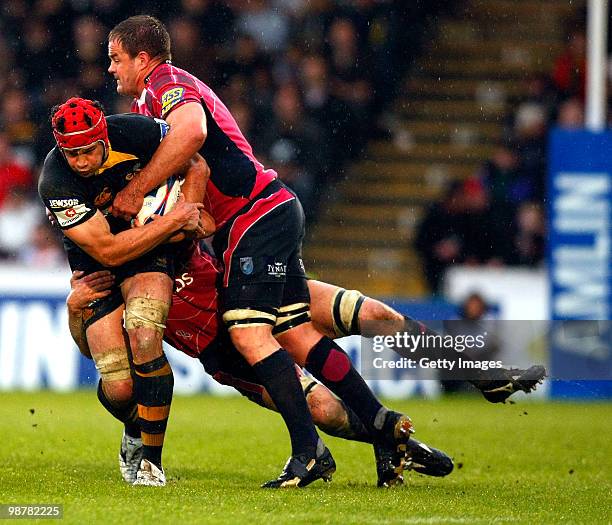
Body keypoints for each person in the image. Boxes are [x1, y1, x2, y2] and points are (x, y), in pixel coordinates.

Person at [105, 15, 417, 489]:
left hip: (257, 214)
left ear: (142, 59)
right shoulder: (149, 103)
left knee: (250, 329)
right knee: (297, 331)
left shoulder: (166, 82)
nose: (111, 69)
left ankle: (310, 453)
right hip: (247, 223)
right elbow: (200, 175)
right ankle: (385, 426)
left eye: (116, 59)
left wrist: (138, 192)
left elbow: (191, 137)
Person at [66, 251, 454, 488]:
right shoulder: (109, 272)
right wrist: (74, 308)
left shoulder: (167, 219)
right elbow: (94, 352)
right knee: (324, 409)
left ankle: (478, 368)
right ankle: (394, 441)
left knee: (374, 314)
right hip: (225, 348)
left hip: (254, 291)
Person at [38, 97, 206, 486]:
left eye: (87, 151)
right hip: (97, 263)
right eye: (70, 153)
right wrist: (73, 311)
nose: (79, 161)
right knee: (117, 385)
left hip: (148, 249)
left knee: (145, 332)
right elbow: (108, 251)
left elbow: (196, 162)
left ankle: (151, 464)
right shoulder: (55, 180)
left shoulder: (136, 131)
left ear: (104, 138)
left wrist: (191, 209)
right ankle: (135, 428)